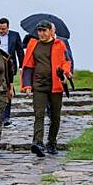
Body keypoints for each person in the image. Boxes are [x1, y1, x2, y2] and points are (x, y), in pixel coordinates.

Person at [21, 20, 71, 157]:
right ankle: (37, 143)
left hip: (55, 85)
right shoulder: (33, 44)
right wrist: (27, 84)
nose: (41, 33)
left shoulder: (59, 44)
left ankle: (52, 142)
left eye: (44, 30)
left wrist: (66, 72)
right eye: (39, 31)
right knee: (39, 114)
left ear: (51, 31)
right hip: (39, 85)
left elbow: (66, 61)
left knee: (55, 116)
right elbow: (28, 65)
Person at [0, 18, 23, 126]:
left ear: (8, 27)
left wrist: (22, 66)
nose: (1, 31)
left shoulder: (15, 35)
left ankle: (6, 117)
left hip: (9, 65)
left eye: (3, 29)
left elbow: (19, 51)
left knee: (8, 90)